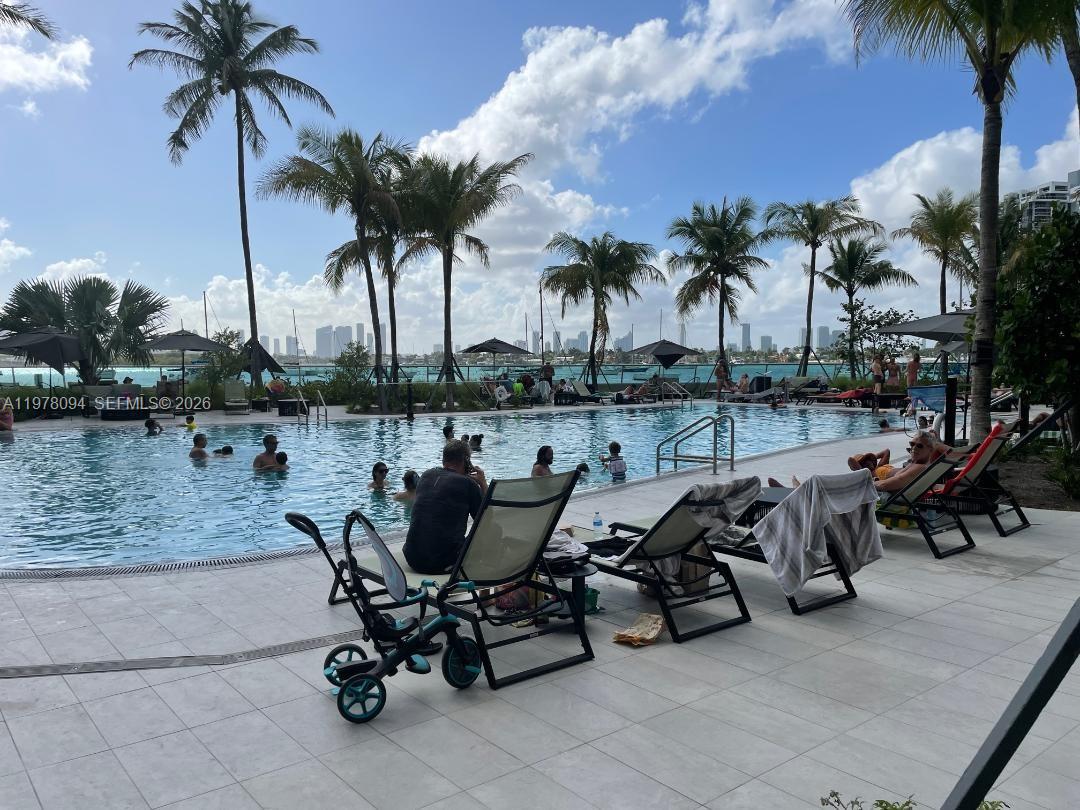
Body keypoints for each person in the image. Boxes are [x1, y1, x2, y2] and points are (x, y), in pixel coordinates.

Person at [403, 440, 487, 574]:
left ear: (444, 460)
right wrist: (483, 483)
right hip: (442, 562)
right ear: (466, 461)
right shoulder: (468, 484)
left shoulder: (426, 475)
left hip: (412, 557)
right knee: (492, 531)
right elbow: (486, 520)